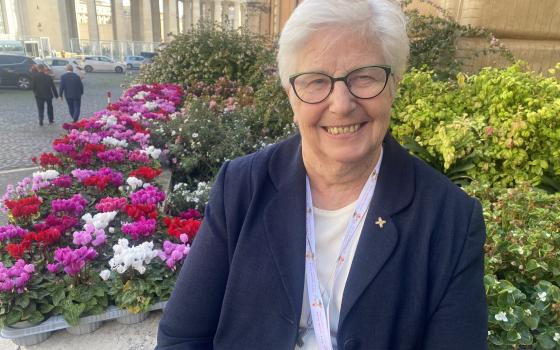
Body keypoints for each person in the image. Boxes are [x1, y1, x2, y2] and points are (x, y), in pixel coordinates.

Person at [156, 0, 488, 349]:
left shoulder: (450, 220)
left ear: (394, 85)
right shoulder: (241, 187)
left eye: (364, 77)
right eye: (316, 81)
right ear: (290, 95)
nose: (341, 104)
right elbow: (182, 337)